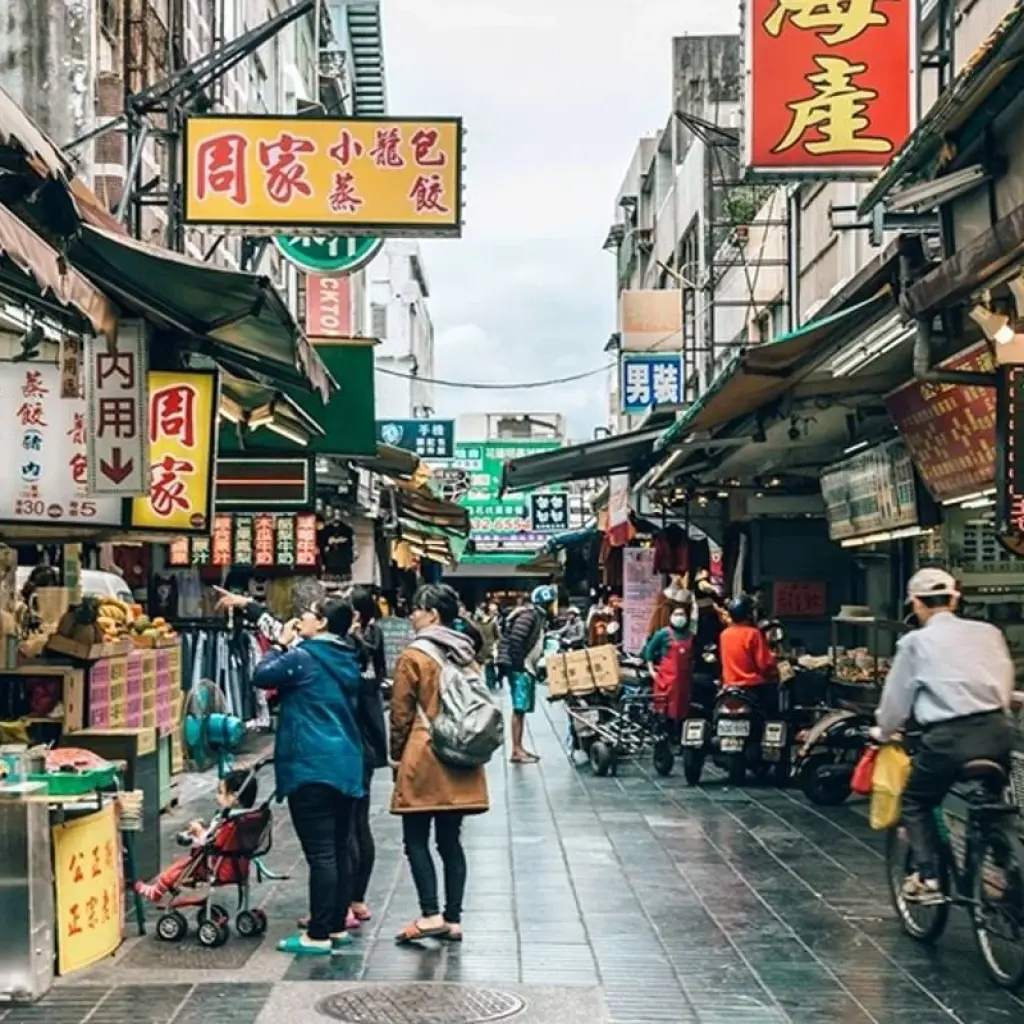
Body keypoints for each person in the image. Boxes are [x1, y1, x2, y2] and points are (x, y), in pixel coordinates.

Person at [876, 568, 1015, 903]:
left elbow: (896, 699)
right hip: (998, 733)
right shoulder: (989, 633)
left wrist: (882, 731)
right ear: (955, 599)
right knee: (991, 805)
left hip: (948, 740)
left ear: (917, 605)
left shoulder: (915, 642)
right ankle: (1007, 868)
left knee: (917, 801)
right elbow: (1004, 680)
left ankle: (928, 876)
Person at [253, 598, 365, 956]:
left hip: (312, 764)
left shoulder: (304, 657)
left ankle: (317, 934)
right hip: (346, 761)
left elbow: (261, 675)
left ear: (322, 623)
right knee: (339, 847)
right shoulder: (347, 657)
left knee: (321, 854)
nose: (301, 617)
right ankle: (335, 927)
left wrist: (282, 644)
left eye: (309, 613)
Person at [390, 584, 489, 943]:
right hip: (461, 754)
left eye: (416, 609)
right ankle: (454, 918)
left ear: (432, 614)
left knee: (415, 839)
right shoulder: (465, 653)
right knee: (451, 841)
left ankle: (431, 914)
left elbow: (400, 715)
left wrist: (395, 758)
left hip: (425, 752)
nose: (412, 615)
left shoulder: (414, 656)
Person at [135, 769, 258, 901]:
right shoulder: (248, 818)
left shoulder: (228, 821)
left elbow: (210, 842)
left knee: (180, 867)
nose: (217, 797)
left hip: (215, 865)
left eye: (221, 793)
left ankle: (157, 890)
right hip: (238, 865)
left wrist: (198, 831)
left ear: (234, 797)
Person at [347, 587, 389, 926]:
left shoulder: (347, 651)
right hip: (371, 743)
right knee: (360, 823)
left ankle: (343, 904)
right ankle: (357, 900)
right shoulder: (374, 643)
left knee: (346, 827)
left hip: (350, 743)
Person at [497, 584, 555, 764]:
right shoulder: (529, 615)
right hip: (520, 667)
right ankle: (516, 750)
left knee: (521, 709)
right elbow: (517, 639)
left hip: (525, 666)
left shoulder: (536, 615)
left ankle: (519, 747)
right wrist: (519, 665)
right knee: (519, 708)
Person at [643, 585, 699, 732]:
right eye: (677, 614)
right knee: (665, 710)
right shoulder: (663, 633)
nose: (679, 617)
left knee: (683, 708)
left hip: (684, 681)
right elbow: (649, 650)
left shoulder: (690, 635)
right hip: (666, 680)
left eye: (682, 614)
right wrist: (652, 671)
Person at [718, 594, 778, 707]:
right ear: (749, 614)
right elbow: (765, 664)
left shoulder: (724, 634)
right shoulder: (753, 634)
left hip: (729, 686)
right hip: (753, 686)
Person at [475, 603, 501, 689]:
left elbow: (498, 636)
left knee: (489, 668)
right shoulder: (476, 623)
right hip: (480, 648)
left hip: (488, 648)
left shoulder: (492, 622)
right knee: (480, 667)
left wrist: (495, 646)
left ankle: (491, 684)